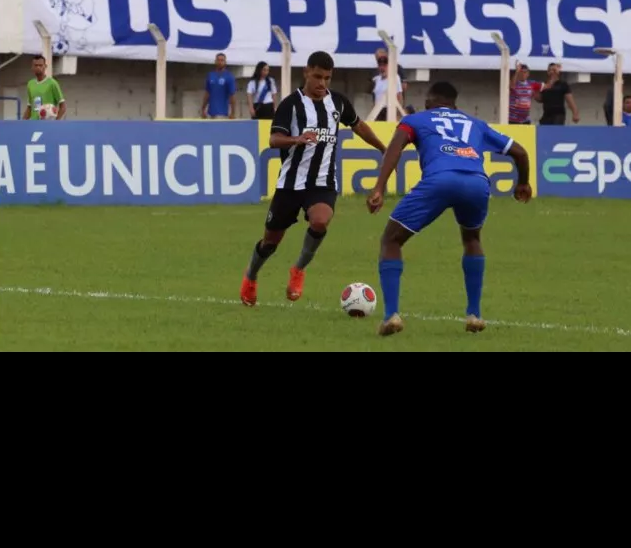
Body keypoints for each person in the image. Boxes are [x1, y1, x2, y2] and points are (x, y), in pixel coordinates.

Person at [365, 82, 532, 336]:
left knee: (391, 240)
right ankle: (474, 315)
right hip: (476, 183)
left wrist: (379, 187)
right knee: (472, 238)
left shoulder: (416, 120)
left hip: (439, 181)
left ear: (430, 102)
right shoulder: (476, 123)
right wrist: (523, 183)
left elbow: (394, 148)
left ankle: (391, 316)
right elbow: (520, 152)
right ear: (454, 104)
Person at [240, 51, 388, 307]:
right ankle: (251, 277)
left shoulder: (338, 103)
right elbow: (273, 139)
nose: (322, 83)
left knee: (320, 221)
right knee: (270, 242)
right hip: (290, 184)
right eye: (318, 76)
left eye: (327, 78)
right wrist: (297, 139)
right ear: (307, 72)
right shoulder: (291, 104)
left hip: (323, 181)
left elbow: (359, 125)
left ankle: (298, 270)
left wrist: (384, 149)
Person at [22, 55, 66, 121]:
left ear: (45, 66)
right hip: (34, 124)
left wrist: (56, 122)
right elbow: (29, 107)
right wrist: (22, 123)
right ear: (32, 67)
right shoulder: (30, 84)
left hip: (48, 125)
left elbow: (63, 106)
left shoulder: (52, 83)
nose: (38, 67)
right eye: (36, 65)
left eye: (40, 65)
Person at [200, 52, 237, 119]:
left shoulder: (229, 76)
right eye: (218, 60)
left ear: (225, 62)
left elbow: (232, 96)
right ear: (215, 61)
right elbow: (207, 93)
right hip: (210, 113)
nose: (220, 62)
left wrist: (233, 113)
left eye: (222, 60)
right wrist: (203, 109)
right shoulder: (210, 75)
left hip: (223, 114)